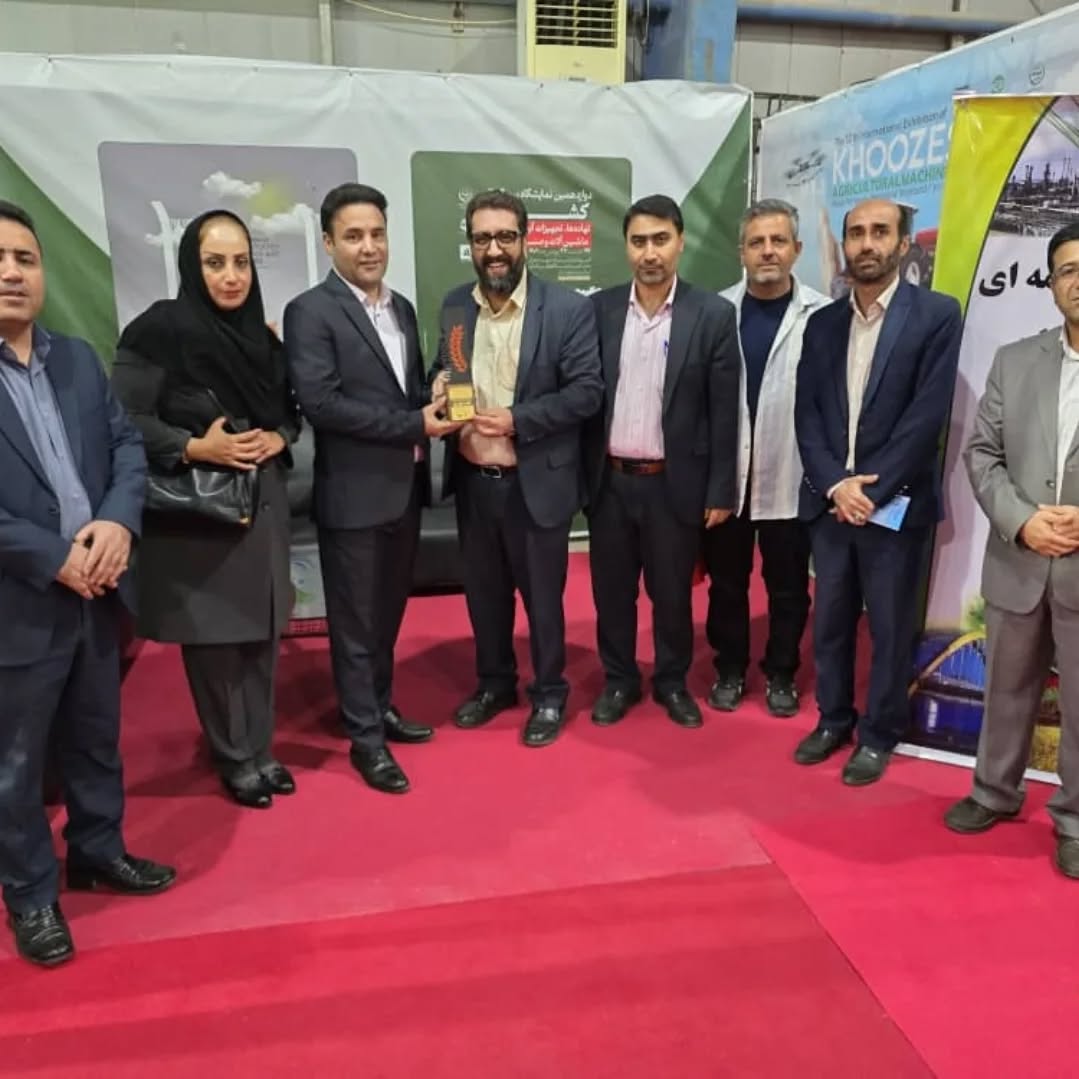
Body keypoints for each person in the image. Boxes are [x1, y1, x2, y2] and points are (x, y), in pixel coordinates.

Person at [0, 200, 175, 969]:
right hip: (20, 601)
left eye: (26, 258)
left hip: (99, 588)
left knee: (95, 735)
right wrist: (50, 554)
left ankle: (98, 850)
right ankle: (30, 891)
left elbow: (126, 447)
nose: (13, 272)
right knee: (14, 760)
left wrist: (117, 523)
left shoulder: (74, 358)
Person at [113, 210, 299, 810]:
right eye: (215, 263)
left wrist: (278, 436)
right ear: (192, 266)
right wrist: (195, 447)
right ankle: (234, 755)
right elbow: (126, 419)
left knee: (263, 633)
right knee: (216, 642)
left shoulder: (263, 339)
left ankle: (261, 748)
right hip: (203, 513)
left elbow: (289, 412)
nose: (231, 276)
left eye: (241, 262)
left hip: (263, 504)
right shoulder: (158, 329)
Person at [285, 184, 456, 794]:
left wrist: (433, 395)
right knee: (355, 625)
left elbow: (404, 395)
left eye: (377, 234)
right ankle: (366, 741)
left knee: (386, 617)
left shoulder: (402, 308)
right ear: (328, 242)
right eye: (353, 236)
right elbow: (323, 405)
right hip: (353, 497)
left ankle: (378, 707)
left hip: (404, 492)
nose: (368, 246)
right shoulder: (310, 311)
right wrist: (414, 424)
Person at [793, 197, 961, 786]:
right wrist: (835, 486)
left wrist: (872, 490)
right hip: (831, 505)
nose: (867, 244)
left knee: (889, 628)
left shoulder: (936, 315)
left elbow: (926, 416)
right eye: (857, 233)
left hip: (896, 505)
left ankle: (879, 733)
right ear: (844, 244)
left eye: (880, 232)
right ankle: (833, 718)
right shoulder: (822, 324)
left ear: (903, 243)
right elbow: (807, 415)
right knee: (831, 622)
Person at [429, 189, 602, 747]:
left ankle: (549, 692)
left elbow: (587, 392)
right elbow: (444, 368)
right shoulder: (455, 305)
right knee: (484, 597)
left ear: (525, 241)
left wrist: (517, 420)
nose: (495, 249)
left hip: (536, 482)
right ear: (470, 245)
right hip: (474, 481)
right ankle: (495, 683)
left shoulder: (568, 309)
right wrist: (438, 386)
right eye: (483, 238)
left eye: (505, 236)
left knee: (543, 600)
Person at [944, 222, 1079, 880]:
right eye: (1067, 270)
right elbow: (982, 453)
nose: (1078, 281)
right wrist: (1022, 521)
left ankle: (1075, 820)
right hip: (1019, 557)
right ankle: (994, 791)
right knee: (1005, 688)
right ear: (1050, 285)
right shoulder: (1015, 360)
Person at [584, 195, 739, 728]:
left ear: (680, 242)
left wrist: (720, 490)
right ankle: (619, 679)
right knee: (612, 593)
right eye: (638, 241)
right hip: (609, 482)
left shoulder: (712, 315)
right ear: (626, 246)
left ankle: (672, 682)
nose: (649, 253)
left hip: (674, 483)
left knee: (672, 594)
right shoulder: (598, 310)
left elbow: (725, 411)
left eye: (660, 240)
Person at [704, 199, 828, 718]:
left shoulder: (824, 315)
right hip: (726, 481)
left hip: (791, 477)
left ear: (797, 249)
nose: (768, 251)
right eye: (757, 242)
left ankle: (781, 673)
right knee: (727, 586)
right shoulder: (715, 311)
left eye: (778, 241)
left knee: (789, 588)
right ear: (742, 252)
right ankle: (729, 669)